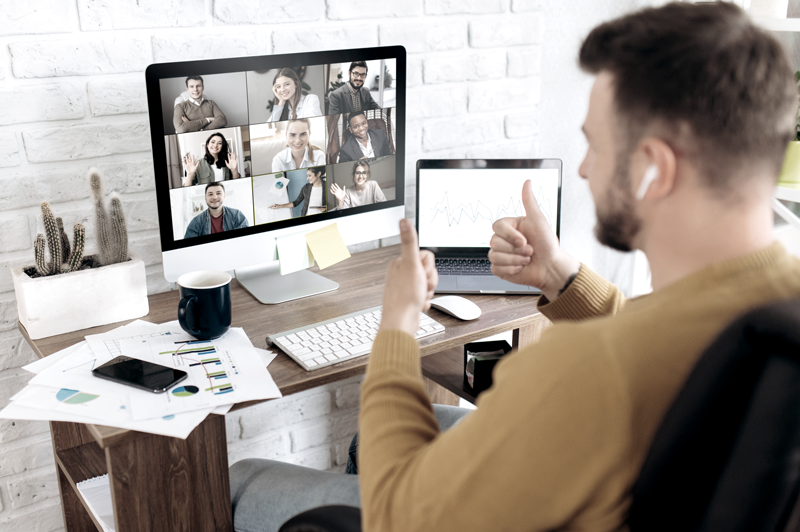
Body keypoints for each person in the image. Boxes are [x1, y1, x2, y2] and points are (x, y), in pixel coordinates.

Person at [229, 3, 800, 531]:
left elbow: (397, 514)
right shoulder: (774, 301)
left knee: (243, 480)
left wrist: (399, 322)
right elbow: (662, 343)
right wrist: (559, 276)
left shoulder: (588, 368)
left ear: (653, 169)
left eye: (595, 147)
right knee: (371, 439)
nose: (582, 170)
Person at [183, 183, 249, 239]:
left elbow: (245, 241)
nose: (214, 197)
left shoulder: (237, 216)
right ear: (205, 198)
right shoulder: (196, 223)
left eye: (218, 193)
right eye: (210, 194)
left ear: (224, 196)